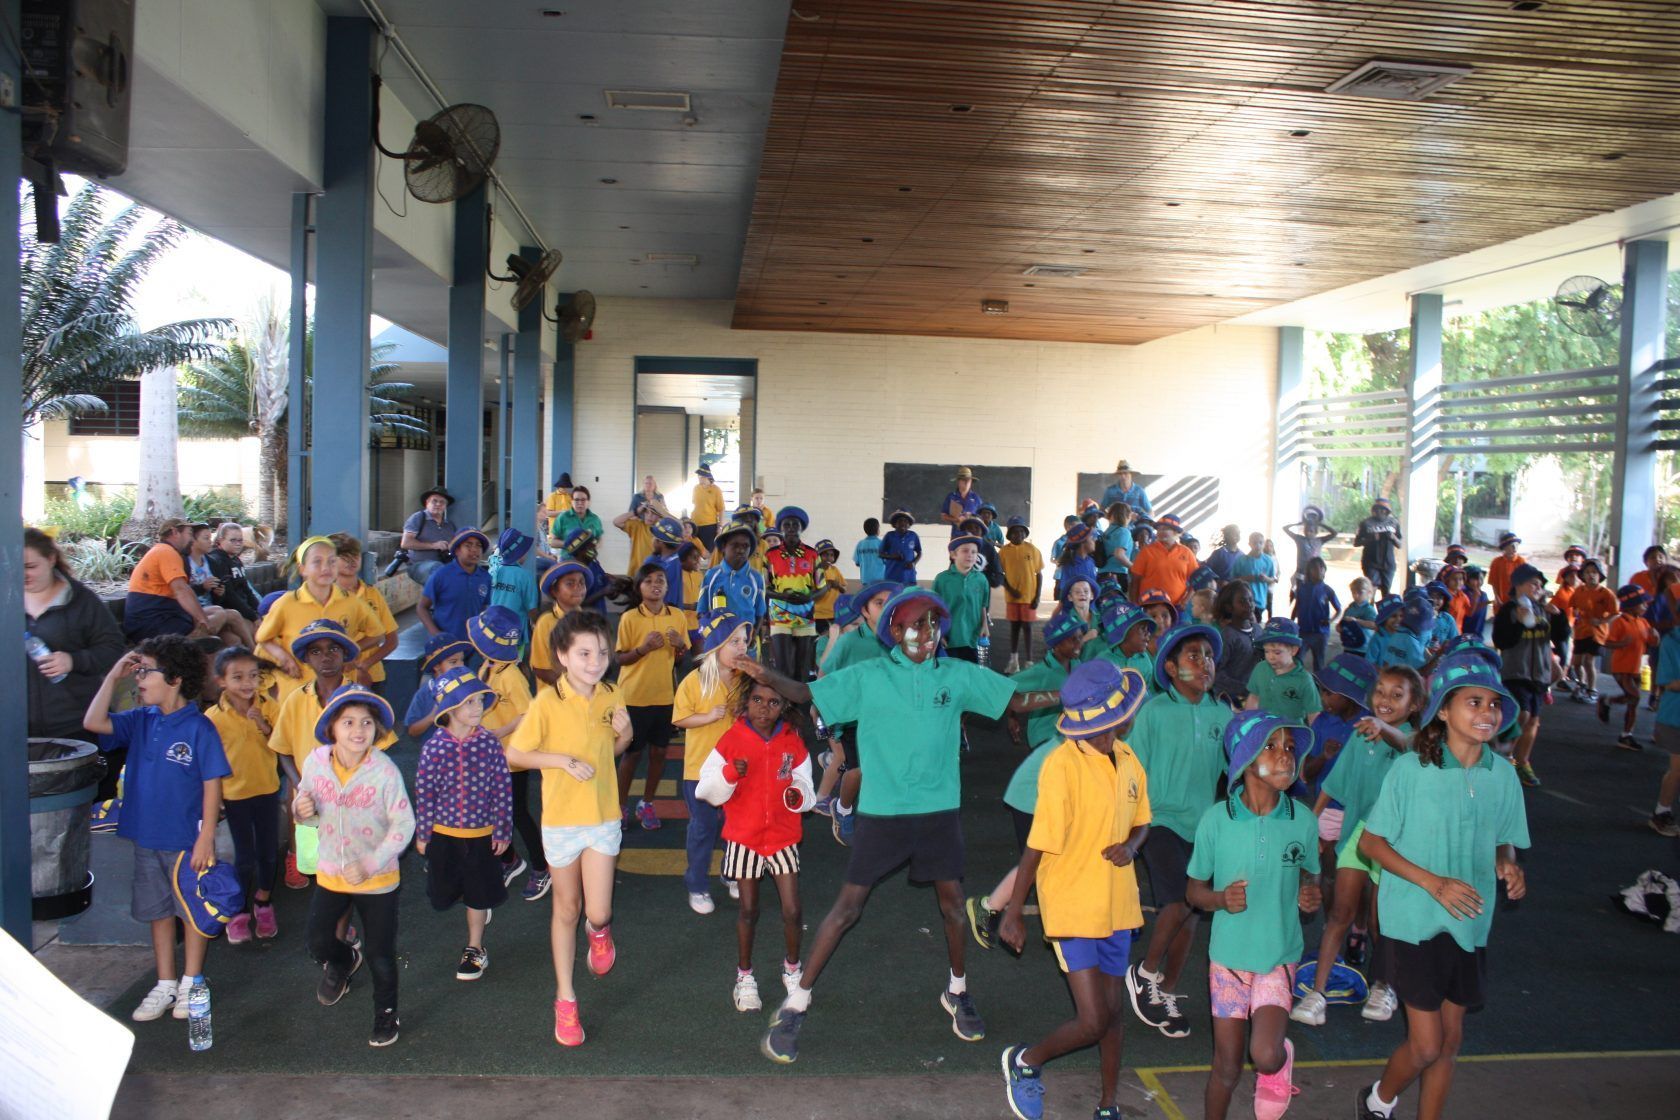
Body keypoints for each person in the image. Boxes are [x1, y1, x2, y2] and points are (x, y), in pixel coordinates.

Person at [746, 588, 1017, 1064]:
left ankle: (957, 990)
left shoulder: (956, 674)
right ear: (894, 631)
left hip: (938, 811)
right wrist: (761, 671)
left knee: (954, 908)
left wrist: (1078, 694)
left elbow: (1015, 699)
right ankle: (796, 1003)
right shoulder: (870, 675)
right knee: (847, 909)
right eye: (916, 624)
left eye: (933, 624)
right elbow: (806, 694)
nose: (927, 633)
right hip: (884, 812)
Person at [1354, 657, 1529, 1120]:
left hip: (1469, 921)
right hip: (1413, 919)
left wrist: (1507, 863)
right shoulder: (1412, 770)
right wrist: (1434, 884)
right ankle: (1377, 1100)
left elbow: (1504, 838)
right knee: (1427, 1044)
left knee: (1450, 1042)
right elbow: (1372, 844)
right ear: (1444, 712)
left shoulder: (1503, 775)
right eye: (1474, 702)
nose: (1487, 712)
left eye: (1494, 703)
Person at [996, 661, 1152, 1120]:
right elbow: (1037, 845)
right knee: (1093, 1019)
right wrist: (1013, 910)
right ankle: (1026, 1061)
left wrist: (1131, 846)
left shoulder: (1128, 758)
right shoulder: (1061, 766)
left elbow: (1143, 820)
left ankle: (1108, 1104)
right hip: (1071, 904)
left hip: (1117, 905)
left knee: (1113, 1014)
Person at [505, 610, 634, 1047]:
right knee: (566, 908)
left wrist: (626, 735)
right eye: (584, 653)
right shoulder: (545, 703)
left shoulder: (613, 693)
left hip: (602, 817)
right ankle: (565, 999)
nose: (595, 662)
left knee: (599, 912)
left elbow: (610, 750)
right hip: (561, 822)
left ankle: (599, 934)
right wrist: (560, 760)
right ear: (562, 655)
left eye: (602, 653)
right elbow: (515, 754)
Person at [83, 636, 229, 1024]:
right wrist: (113, 677)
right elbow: (93, 722)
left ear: (175, 679)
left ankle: (192, 981)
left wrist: (206, 836)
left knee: (191, 910)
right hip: (147, 837)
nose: (139, 679)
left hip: (186, 841)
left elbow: (212, 783)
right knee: (158, 911)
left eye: (146, 672)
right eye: (138, 671)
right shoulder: (141, 719)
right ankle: (165, 983)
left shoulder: (200, 728)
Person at [1186, 713, 1323, 1120]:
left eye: (1290, 748)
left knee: (1263, 1054)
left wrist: (1310, 892)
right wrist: (1220, 899)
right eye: (1271, 747)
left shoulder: (1303, 819)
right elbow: (1193, 892)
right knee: (1226, 1067)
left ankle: (1278, 1062)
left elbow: (1313, 873)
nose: (1285, 756)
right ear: (1245, 759)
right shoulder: (1216, 821)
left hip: (1277, 955)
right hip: (1228, 960)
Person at [1123, 622, 1234, 1039]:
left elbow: (1234, 772)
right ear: (1170, 668)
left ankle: (1166, 991)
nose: (1205, 663)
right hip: (1159, 821)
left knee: (1191, 917)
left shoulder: (1222, 715)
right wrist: (1127, 823)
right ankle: (1144, 973)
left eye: (1208, 656)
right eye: (1193, 656)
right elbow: (1132, 769)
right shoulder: (1153, 712)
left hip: (1202, 826)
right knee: (1179, 902)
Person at [1298, 665, 1424, 1027]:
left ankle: (1385, 985)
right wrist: (1311, 822)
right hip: (1358, 833)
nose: (1385, 700)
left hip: (1394, 842)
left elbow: (1407, 745)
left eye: (1397, 695)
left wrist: (1384, 728)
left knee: (1378, 920)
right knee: (1340, 912)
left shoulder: (1418, 743)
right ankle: (1317, 993)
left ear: (1414, 704)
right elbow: (1335, 783)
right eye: (1380, 691)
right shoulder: (1361, 734)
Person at [292, 684, 413, 1046]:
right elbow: (307, 805)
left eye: (366, 722)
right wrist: (301, 809)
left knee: (380, 955)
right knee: (317, 941)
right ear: (331, 726)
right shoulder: (315, 762)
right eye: (348, 722)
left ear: (376, 729)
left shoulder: (385, 771)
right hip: (332, 874)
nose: (358, 730)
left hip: (377, 880)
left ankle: (386, 1014)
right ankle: (344, 959)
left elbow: (404, 824)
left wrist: (371, 863)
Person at [964, 611, 1090, 951]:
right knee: (1042, 860)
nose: (1078, 643)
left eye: (1080, 636)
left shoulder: (1080, 677)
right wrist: (1012, 718)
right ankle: (992, 908)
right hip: (1033, 791)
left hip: (1047, 778)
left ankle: (1013, 911)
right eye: (1071, 638)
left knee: (1051, 858)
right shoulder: (1043, 678)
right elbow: (1011, 694)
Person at [696, 676, 815, 1012]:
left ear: (784, 706)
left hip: (782, 837)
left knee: (792, 909)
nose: (765, 708)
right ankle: (744, 976)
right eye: (758, 700)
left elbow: (805, 782)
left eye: (774, 702)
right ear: (746, 702)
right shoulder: (732, 739)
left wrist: (799, 795)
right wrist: (729, 774)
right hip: (744, 838)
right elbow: (705, 789)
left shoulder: (792, 740)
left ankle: (792, 968)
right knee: (748, 909)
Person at [415, 666, 513, 983]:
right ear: (449, 709)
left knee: (477, 893)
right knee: (444, 891)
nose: (478, 707)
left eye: (480, 700)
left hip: (481, 836)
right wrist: (424, 833)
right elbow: (425, 793)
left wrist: (502, 829)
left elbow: (502, 788)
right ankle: (476, 906)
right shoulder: (434, 748)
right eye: (469, 702)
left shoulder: (489, 744)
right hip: (443, 836)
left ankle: (475, 946)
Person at [23, 527, 125, 791]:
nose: (24, 575)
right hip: (17, 728)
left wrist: (74, 661)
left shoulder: (82, 600)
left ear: (51, 559)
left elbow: (113, 647)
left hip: (75, 724)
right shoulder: (7, 599)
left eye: (31, 566)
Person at [673, 614, 754, 913]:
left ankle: (731, 872)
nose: (742, 646)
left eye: (744, 640)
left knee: (736, 826)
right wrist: (707, 717)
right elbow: (680, 718)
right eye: (734, 641)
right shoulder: (694, 681)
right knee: (704, 827)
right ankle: (697, 885)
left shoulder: (747, 680)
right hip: (701, 772)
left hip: (739, 769)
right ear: (716, 645)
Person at [205, 647, 282, 944]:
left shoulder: (269, 706)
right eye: (238, 677)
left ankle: (263, 901)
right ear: (221, 681)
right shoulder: (213, 717)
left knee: (267, 853)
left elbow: (281, 744)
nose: (248, 683)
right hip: (234, 796)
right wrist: (214, 800)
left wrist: (262, 724)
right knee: (244, 856)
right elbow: (208, 762)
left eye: (253, 676)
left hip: (267, 790)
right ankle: (238, 911)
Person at [256, 536, 381, 705]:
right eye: (317, 562)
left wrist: (350, 652)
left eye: (331, 561)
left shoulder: (351, 602)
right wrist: (285, 658)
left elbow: (377, 634)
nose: (325, 568)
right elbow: (263, 638)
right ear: (302, 569)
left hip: (338, 691)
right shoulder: (286, 603)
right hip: (296, 690)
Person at [468, 607, 539, 896]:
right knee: (491, 811)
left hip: (512, 757)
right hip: (491, 757)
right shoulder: (486, 667)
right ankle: (510, 860)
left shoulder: (511, 676)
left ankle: (542, 867)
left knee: (518, 813)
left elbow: (528, 714)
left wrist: (500, 732)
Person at [614, 564, 689, 831]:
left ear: (667, 587)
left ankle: (647, 803)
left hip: (664, 696)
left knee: (659, 753)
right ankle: (620, 806)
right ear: (639, 587)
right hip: (633, 697)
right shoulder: (630, 618)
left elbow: (679, 660)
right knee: (632, 755)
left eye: (660, 580)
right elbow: (620, 658)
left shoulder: (677, 616)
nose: (655, 584)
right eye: (648, 581)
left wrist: (681, 647)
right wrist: (643, 649)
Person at [1491, 562, 1553, 787]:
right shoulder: (1508, 610)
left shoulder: (1543, 609)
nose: (1538, 588)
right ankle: (1504, 756)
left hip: (1540, 674)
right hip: (1516, 671)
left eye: (1540, 585)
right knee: (1522, 714)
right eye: (1533, 584)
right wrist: (1518, 622)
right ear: (1518, 585)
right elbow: (1501, 641)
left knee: (1533, 720)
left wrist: (1559, 616)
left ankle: (1523, 762)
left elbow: (1560, 636)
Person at [122, 519, 219, 643]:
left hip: (159, 617)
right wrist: (203, 620)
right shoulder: (166, 552)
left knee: (220, 614)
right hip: (152, 623)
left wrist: (200, 618)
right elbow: (181, 591)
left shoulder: (164, 551)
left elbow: (185, 590)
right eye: (189, 534)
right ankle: (189, 647)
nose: (192, 539)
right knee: (221, 618)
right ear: (175, 532)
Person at [328, 534, 400, 695]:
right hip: (336, 680)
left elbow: (392, 640)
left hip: (372, 676)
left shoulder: (372, 593)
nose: (351, 561)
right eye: (344, 557)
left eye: (355, 555)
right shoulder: (326, 597)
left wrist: (365, 664)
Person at [764, 507, 820, 681]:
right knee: (783, 666)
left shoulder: (812, 554)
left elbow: (822, 586)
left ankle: (798, 698)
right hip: (779, 613)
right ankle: (783, 698)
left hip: (805, 614)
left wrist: (810, 597)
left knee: (802, 667)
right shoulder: (770, 555)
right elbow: (764, 587)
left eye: (795, 525)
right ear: (781, 528)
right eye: (786, 525)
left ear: (801, 528)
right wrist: (782, 597)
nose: (791, 528)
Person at [183, 524, 259, 650]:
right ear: (193, 541)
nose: (210, 541)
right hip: (196, 612)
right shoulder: (185, 562)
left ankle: (253, 654)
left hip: (212, 608)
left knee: (234, 640)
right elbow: (181, 592)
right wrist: (202, 587)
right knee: (231, 616)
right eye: (206, 538)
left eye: (240, 540)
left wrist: (219, 593)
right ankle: (255, 652)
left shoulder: (211, 562)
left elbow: (226, 596)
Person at [1600, 585, 1657, 750]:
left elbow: (1652, 643)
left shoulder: (1643, 622)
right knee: (1635, 697)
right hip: (1621, 667)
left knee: (1632, 701)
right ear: (1631, 605)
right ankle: (1625, 734)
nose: (1646, 606)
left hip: (1636, 667)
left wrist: (1655, 637)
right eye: (1642, 603)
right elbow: (1607, 642)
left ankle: (1610, 705)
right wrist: (1622, 644)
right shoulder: (1620, 622)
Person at [419, 529, 492, 641]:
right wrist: (437, 635)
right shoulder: (441, 575)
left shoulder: (485, 577)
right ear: (457, 550)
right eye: (468, 545)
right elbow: (422, 607)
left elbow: (484, 607)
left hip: (474, 644)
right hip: (446, 645)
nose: (474, 549)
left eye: (478, 546)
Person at [1245, 619, 1322, 722]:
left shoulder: (1304, 680)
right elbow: (1254, 697)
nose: (1270, 657)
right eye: (1267, 651)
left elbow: (1313, 713)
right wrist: (1247, 721)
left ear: (1293, 650)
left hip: (1291, 730)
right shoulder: (1260, 668)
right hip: (1263, 727)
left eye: (1277, 652)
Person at [702, 520, 767, 634]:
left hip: (745, 639)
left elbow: (759, 613)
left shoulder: (756, 578)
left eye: (745, 546)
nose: (741, 550)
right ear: (723, 547)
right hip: (718, 639)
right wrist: (709, 636)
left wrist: (752, 636)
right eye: (735, 545)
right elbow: (702, 611)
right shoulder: (711, 575)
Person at [999, 516, 1045, 672]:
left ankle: (1029, 661)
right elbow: (1000, 574)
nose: (1018, 535)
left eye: (1021, 531)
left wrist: (1037, 596)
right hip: (1012, 598)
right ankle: (1014, 661)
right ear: (1009, 535)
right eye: (1014, 532)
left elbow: (1039, 574)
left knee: (1028, 627)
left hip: (1029, 597)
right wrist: (1010, 589)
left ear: (1025, 534)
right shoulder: (1004, 552)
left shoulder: (1032, 550)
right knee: (1014, 627)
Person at [934, 535, 990, 661]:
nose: (970, 555)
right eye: (965, 551)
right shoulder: (942, 579)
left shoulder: (981, 579)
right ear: (953, 554)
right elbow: (934, 609)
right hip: (949, 637)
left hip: (973, 636)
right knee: (950, 670)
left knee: (972, 669)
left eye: (974, 552)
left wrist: (984, 625)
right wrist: (938, 632)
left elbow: (983, 605)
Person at [1649, 611, 1680, 836]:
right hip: (1674, 717)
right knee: (1678, 769)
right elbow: (1669, 683)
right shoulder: (1671, 642)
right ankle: (1661, 813)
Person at [486, 529, 541, 655]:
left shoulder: (493, 570)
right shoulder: (525, 576)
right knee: (513, 662)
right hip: (514, 634)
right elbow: (532, 609)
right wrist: (537, 623)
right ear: (519, 553)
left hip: (491, 630)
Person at [1570, 559, 1616, 702]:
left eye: (1594, 572)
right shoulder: (1579, 591)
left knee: (1588, 661)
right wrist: (1576, 613)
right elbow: (1573, 607)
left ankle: (1592, 690)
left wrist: (1601, 621)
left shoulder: (1606, 593)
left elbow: (1616, 613)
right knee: (1576, 663)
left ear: (1600, 574)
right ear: (1582, 575)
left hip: (1597, 633)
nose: (1591, 575)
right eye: (1587, 572)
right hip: (1581, 632)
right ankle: (1581, 684)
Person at [1129, 513, 1197, 608]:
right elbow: (1135, 581)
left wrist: (1185, 601)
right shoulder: (1147, 551)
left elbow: (1196, 580)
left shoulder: (1187, 552)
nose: (1160, 532)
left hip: (1177, 607)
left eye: (1165, 529)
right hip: (1149, 607)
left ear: (1175, 532)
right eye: (1158, 529)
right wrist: (1134, 605)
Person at [399, 487, 458, 585]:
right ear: (427, 503)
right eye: (434, 501)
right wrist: (433, 545)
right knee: (437, 569)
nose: (438, 504)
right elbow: (405, 543)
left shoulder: (449, 525)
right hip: (419, 565)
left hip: (443, 566)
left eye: (442, 502)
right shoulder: (418, 518)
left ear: (446, 506)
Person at [1290, 557, 1341, 671]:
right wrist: (1291, 624)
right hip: (1303, 631)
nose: (1319, 571)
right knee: (1297, 660)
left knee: (1319, 662)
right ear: (1310, 571)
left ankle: (1317, 682)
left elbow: (1339, 609)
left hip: (1321, 633)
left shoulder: (1327, 590)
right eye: (1316, 568)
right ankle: (1297, 680)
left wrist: (1330, 621)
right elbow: (1297, 606)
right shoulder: (1302, 588)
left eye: (1322, 568)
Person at [205, 523, 262, 622]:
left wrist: (260, 611)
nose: (238, 544)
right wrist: (253, 617)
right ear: (220, 540)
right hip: (231, 612)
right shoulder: (217, 561)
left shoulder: (236, 560)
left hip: (246, 609)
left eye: (240, 540)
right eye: (233, 540)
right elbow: (230, 595)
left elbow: (247, 590)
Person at [1282, 506, 1339, 599]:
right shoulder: (1299, 539)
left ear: (1316, 532)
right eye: (1307, 530)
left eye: (1311, 531)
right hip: (1301, 572)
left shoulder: (1320, 540)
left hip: (1315, 574)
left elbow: (1334, 533)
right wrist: (1298, 523)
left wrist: (1321, 524)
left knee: (1313, 595)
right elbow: (1285, 528)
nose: (1309, 533)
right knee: (1299, 595)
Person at [1353, 498, 1403, 597]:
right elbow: (1356, 543)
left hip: (1388, 563)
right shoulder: (1366, 523)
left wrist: (1393, 537)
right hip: (1370, 562)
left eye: (1383, 509)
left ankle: (1384, 607)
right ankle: (1370, 607)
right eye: (1378, 509)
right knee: (1371, 589)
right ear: (1374, 510)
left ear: (1387, 511)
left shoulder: (1394, 523)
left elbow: (1399, 545)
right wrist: (1370, 539)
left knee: (1386, 591)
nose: (1380, 511)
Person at [1234, 531, 1279, 623]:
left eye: (1260, 543)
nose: (1258, 545)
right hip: (1243, 600)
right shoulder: (1241, 560)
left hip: (1260, 600)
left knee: (1255, 624)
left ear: (1264, 544)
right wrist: (1246, 578)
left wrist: (1266, 579)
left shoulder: (1268, 560)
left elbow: (1273, 579)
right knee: (1243, 624)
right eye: (1254, 543)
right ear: (1249, 544)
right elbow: (1233, 580)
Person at [549, 485, 604, 551]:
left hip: (588, 556)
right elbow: (552, 542)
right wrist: (570, 544)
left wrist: (594, 546)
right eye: (576, 500)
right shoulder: (562, 517)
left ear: (588, 502)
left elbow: (599, 539)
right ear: (572, 502)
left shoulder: (595, 519)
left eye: (583, 500)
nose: (580, 503)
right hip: (567, 557)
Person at [811, 538, 848, 635]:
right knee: (825, 638)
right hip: (819, 614)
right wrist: (828, 585)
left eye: (831, 555)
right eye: (825, 555)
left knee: (837, 637)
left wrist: (838, 586)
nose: (829, 558)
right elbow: (813, 597)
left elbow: (844, 589)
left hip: (835, 612)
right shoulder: (813, 573)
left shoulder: (834, 570)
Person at [879, 508, 922, 585]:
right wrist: (892, 556)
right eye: (900, 521)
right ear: (895, 524)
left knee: (909, 593)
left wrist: (913, 563)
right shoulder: (889, 536)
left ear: (909, 524)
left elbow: (919, 552)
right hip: (891, 577)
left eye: (905, 521)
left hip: (909, 577)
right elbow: (880, 554)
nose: (903, 523)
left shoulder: (913, 536)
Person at [1486, 531, 1524, 609]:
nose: (1515, 548)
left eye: (1516, 545)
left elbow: (1525, 583)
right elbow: (1493, 582)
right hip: (1501, 601)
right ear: (1504, 547)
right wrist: (1496, 597)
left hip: (1516, 601)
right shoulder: (1496, 562)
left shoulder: (1521, 561)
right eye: (1512, 545)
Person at [1205, 524, 1243, 588]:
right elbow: (1206, 571)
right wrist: (1218, 581)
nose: (1237, 535)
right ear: (1227, 535)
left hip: (1236, 590)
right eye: (1234, 533)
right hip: (1220, 591)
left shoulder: (1242, 555)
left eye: (1239, 533)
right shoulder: (1219, 553)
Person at [853, 517, 885, 583]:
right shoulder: (881, 544)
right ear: (877, 529)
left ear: (865, 530)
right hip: (880, 580)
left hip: (865, 580)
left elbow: (857, 563)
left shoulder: (860, 544)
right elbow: (887, 561)